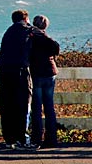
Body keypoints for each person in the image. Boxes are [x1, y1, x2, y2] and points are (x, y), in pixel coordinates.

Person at [0, 9, 33, 149]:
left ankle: (9, 138)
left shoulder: (8, 32)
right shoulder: (27, 29)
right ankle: (22, 138)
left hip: (5, 72)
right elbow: (52, 45)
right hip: (20, 72)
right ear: (25, 19)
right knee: (23, 105)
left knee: (7, 105)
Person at [29, 15, 60, 149]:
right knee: (49, 107)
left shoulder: (31, 38)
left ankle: (37, 138)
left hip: (36, 74)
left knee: (36, 107)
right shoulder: (48, 39)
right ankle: (51, 138)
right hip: (50, 73)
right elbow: (56, 48)